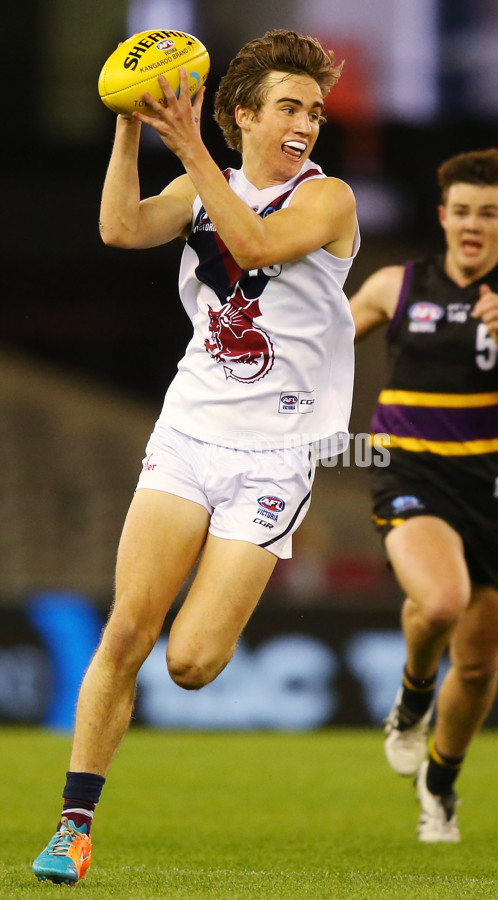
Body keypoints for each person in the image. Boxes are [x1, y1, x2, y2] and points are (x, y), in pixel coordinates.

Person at [32, 29, 358, 884]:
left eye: (314, 111)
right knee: (127, 630)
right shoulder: (197, 182)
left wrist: (191, 150)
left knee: (192, 662)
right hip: (188, 434)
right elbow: (117, 227)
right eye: (289, 106)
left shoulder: (331, 203)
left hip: (274, 459)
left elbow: (250, 244)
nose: (306, 124)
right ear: (244, 114)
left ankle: (206, 613)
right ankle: (73, 826)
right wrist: (130, 124)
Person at [350, 148, 498, 842]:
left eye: (489, 212)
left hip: (492, 496)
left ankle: (440, 786)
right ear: (443, 216)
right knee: (441, 600)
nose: (473, 224)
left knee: (480, 665)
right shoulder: (398, 284)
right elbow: (319, 342)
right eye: (462, 211)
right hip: (409, 476)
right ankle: (412, 698)